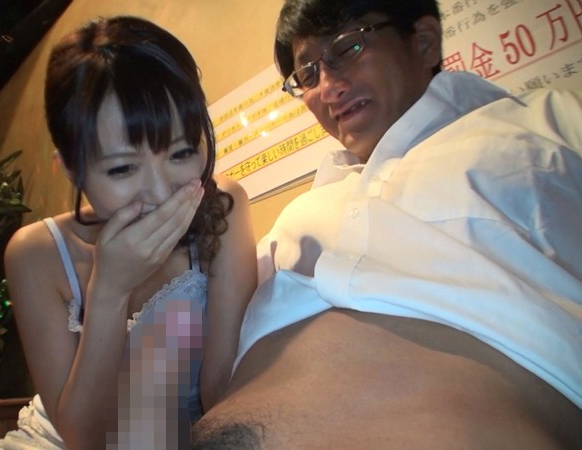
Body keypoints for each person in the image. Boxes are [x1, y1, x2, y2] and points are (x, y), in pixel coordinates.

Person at [192, 0, 582, 448]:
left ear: (424, 41)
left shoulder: (548, 122)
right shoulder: (301, 214)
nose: (328, 88)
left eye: (347, 48)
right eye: (308, 75)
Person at [0, 15, 257, 450]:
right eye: (123, 168)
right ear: (71, 170)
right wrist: (109, 290)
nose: (160, 193)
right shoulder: (36, 253)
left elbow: (221, 392)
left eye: (181, 153)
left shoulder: (221, 208)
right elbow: (84, 439)